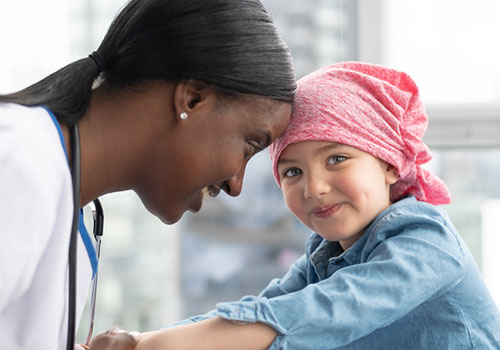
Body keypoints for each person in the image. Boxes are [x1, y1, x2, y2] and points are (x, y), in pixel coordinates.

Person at [111, 62, 500, 349]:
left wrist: (147, 346)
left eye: (336, 159)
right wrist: (140, 339)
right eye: (292, 171)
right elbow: (264, 308)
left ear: (387, 163)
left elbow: (320, 313)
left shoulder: (426, 243)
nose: (314, 187)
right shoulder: (325, 255)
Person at [0, 0, 297, 348]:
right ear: (193, 99)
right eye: (249, 146)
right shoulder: (20, 163)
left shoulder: (58, 190)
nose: (236, 184)